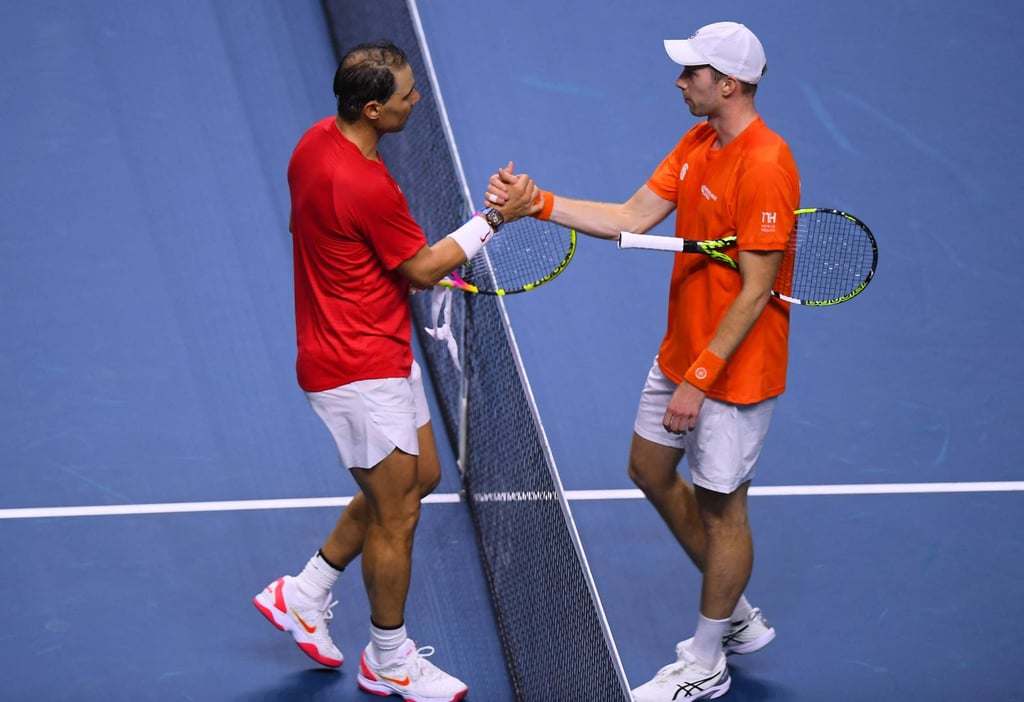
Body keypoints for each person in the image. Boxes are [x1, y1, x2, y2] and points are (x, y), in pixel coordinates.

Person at [487, 21, 800, 701]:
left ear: (730, 83)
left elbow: (754, 291)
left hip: (731, 375)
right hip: (683, 350)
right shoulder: (698, 141)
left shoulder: (767, 164)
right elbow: (631, 216)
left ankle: (707, 657)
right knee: (649, 468)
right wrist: (535, 205)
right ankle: (736, 614)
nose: (680, 81)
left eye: (693, 72)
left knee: (725, 512)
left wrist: (700, 379)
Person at [252, 40, 537, 702]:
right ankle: (388, 659)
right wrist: (496, 218)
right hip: (354, 368)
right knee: (397, 513)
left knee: (420, 479)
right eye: (408, 95)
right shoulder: (363, 183)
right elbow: (420, 268)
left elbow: (353, 242)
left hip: (377, 348)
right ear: (374, 108)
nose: (419, 100)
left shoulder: (314, 144)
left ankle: (306, 592)